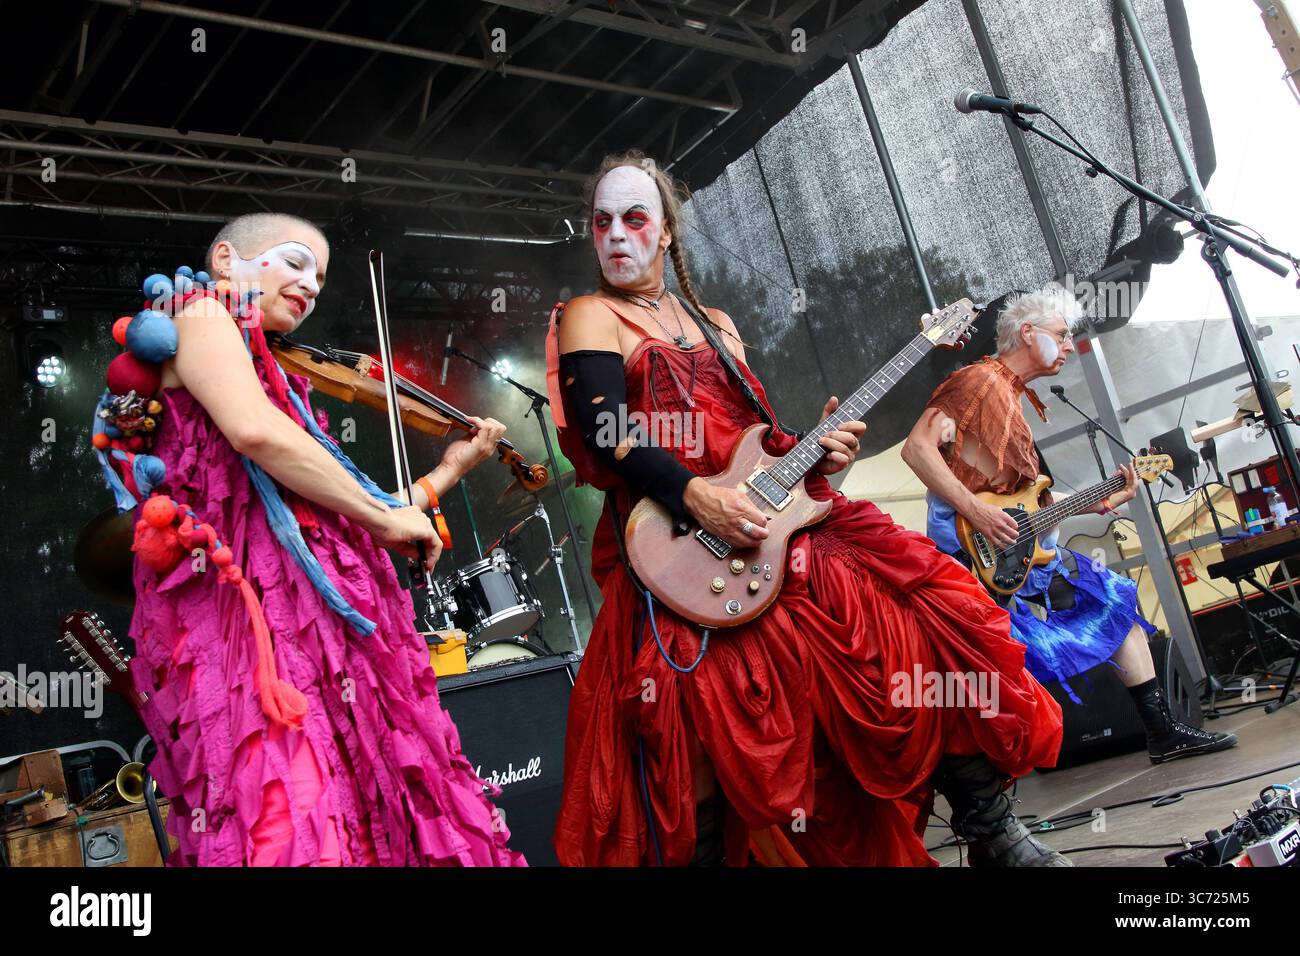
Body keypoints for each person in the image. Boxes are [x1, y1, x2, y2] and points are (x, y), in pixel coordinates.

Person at [545, 153, 1066, 867]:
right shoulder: (588, 316)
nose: (615, 235)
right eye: (602, 221)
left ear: (666, 233)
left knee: (927, 617)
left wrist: (817, 452)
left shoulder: (718, 323)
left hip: (768, 530)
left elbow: (752, 441)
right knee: (696, 725)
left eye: (635, 219)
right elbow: (607, 432)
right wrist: (697, 496)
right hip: (678, 545)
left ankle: (991, 833)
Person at [115, 213, 524, 866]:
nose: (311, 283)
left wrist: (452, 469)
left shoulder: (283, 385)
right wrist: (388, 520)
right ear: (225, 260)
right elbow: (252, 432)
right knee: (289, 809)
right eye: (295, 261)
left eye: (322, 275)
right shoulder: (197, 314)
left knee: (365, 804)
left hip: (323, 637)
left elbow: (357, 507)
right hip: (246, 627)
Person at [902, 284, 1237, 764]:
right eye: (1060, 336)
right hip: (973, 558)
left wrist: (1096, 501)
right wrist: (976, 513)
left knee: (1114, 603)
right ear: (1026, 333)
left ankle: (1161, 732)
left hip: (1018, 555)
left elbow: (1023, 501)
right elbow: (917, 449)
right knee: (988, 672)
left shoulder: (1011, 396)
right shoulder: (978, 382)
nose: (1066, 346)